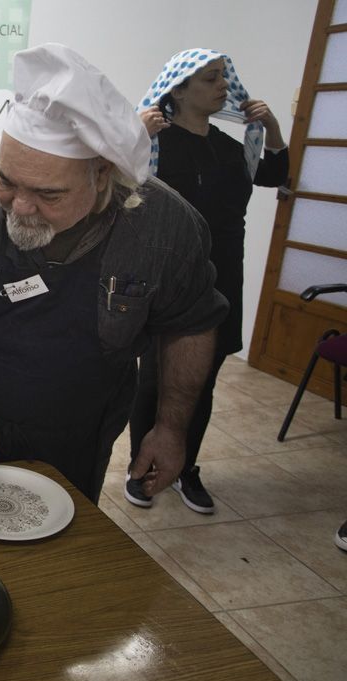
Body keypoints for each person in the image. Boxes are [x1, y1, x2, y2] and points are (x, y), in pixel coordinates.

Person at [0, 43, 229, 504]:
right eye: (6, 181)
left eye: (48, 194)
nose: (20, 207)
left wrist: (170, 428)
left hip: (85, 426)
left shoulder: (164, 230)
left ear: (103, 176)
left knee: (65, 527)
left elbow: (189, 324)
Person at [125, 49, 289, 514]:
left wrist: (273, 128)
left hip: (224, 277)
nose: (223, 87)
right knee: (156, 379)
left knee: (203, 379)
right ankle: (142, 465)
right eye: (211, 79)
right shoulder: (156, 140)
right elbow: (111, 181)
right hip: (167, 277)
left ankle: (184, 466)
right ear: (178, 90)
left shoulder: (227, 146)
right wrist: (135, 134)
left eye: (223, 78)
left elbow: (274, 175)